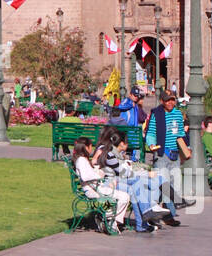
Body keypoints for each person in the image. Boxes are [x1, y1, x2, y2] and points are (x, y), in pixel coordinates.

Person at [143, 91, 192, 220]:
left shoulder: (177, 114)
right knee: (164, 185)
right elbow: (151, 132)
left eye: (172, 100)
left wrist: (186, 148)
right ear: (162, 101)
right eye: (167, 100)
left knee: (175, 184)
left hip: (175, 154)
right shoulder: (157, 114)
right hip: (162, 154)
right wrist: (151, 144)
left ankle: (169, 214)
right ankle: (165, 214)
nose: (170, 102)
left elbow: (181, 133)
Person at [71, 138, 131, 233]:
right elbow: (86, 176)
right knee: (124, 197)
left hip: (96, 187)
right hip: (94, 189)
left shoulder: (81, 159)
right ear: (86, 147)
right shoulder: (81, 160)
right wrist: (99, 175)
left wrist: (97, 171)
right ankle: (110, 220)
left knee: (119, 192)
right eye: (91, 146)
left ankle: (108, 218)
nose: (92, 149)